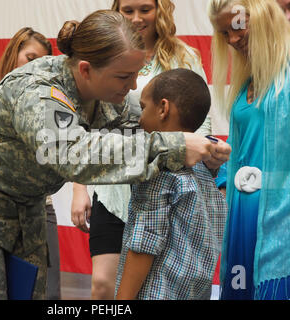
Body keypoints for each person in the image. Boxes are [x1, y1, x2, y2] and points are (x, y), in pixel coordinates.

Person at [0, 9, 229, 300]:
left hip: (23, 209)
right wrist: (174, 147)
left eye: (135, 74)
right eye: (124, 77)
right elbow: (74, 153)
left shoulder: (103, 92)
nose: (133, 85)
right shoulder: (38, 91)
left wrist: (206, 145)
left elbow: (150, 118)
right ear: (86, 69)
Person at [71, 0, 214, 300]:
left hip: (165, 177)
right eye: (128, 10)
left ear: (160, 10)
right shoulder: (105, 54)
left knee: (160, 276)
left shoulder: (184, 56)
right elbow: (83, 129)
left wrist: (204, 156)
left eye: (145, 9)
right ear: (117, 11)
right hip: (112, 187)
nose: (137, 18)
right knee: (102, 286)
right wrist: (79, 189)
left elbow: (201, 123)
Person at [0, 27, 60, 300]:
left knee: (45, 294)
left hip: (39, 208)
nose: (35, 66)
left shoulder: (50, 101)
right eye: (29, 57)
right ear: (13, 53)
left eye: (41, 61)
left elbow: (52, 154)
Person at [115, 68, 227, 300]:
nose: (139, 117)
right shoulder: (205, 172)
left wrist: (121, 301)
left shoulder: (159, 168)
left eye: (144, 108)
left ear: (163, 109)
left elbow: (144, 244)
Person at [208, 0, 290, 299]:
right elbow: (241, 148)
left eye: (238, 26)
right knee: (242, 286)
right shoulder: (248, 84)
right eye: (224, 33)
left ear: (266, 17)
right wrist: (223, 173)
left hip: (281, 216)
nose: (232, 39)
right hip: (243, 212)